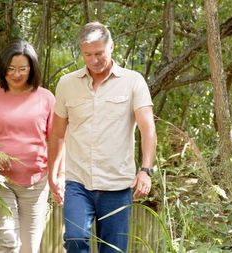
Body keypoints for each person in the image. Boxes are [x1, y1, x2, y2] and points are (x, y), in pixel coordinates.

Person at [47, 22, 157, 253]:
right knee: (75, 239)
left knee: (114, 250)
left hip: (116, 186)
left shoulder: (133, 81)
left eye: (99, 53)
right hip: (77, 182)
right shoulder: (67, 84)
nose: (94, 60)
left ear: (111, 47)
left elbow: (148, 130)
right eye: (88, 54)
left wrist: (145, 170)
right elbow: (57, 133)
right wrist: (53, 173)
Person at [0, 40, 55, 253]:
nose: (16, 74)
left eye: (22, 69)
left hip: (35, 184)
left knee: (29, 248)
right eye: (11, 69)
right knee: (6, 243)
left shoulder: (46, 98)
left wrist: (57, 177)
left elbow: (56, 141)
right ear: (3, 68)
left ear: (32, 69)